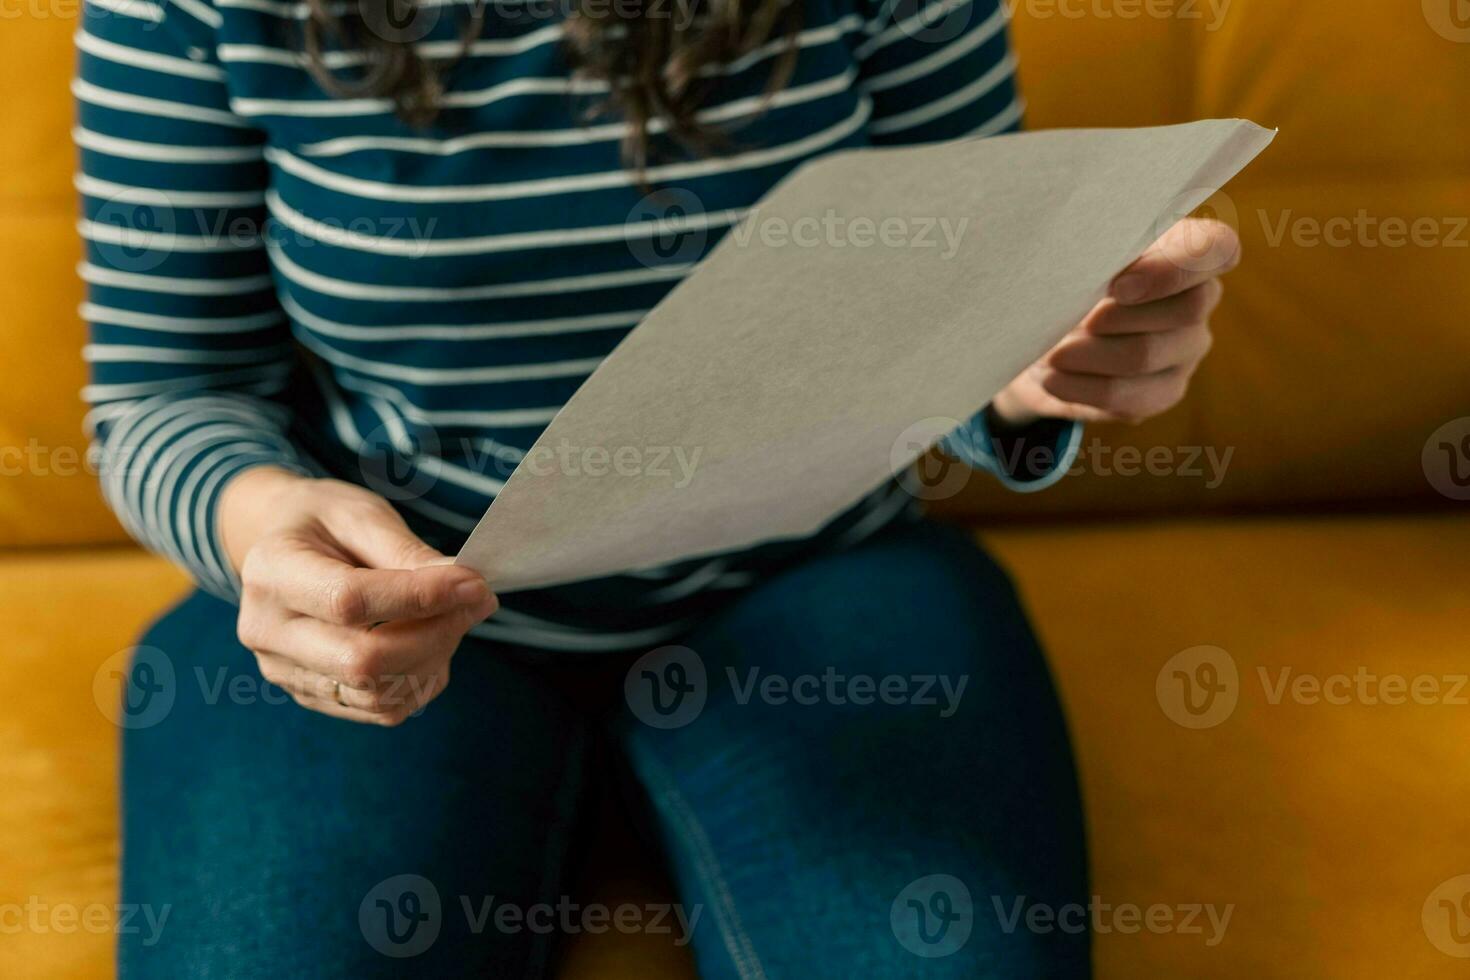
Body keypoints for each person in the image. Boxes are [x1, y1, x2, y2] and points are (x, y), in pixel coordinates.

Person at [76, 0, 1236, 973]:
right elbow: (167, 386)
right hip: (386, 601)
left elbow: (973, 302)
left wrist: (1037, 365)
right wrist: (261, 520)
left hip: (813, 574)